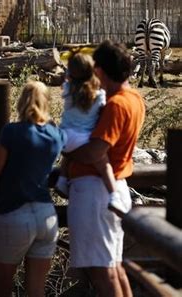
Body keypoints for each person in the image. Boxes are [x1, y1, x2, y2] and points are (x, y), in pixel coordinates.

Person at [65, 40, 145, 297]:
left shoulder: (116, 105)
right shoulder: (134, 98)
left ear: (100, 70)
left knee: (100, 270)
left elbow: (95, 151)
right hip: (112, 188)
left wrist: (64, 148)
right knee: (113, 265)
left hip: (94, 194)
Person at [0, 81, 66, 297]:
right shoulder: (56, 135)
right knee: (36, 291)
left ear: (21, 102)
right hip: (47, 215)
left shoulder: (12, 132)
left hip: (15, 214)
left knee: (2, 289)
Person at [54, 53, 123, 210]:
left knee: (70, 153)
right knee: (104, 164)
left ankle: (62, 180)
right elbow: (102, 110)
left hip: (64, 137)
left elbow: (66, 81)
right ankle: (114, 195)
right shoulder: (99, 95)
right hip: (83, 138)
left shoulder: (67, 90)